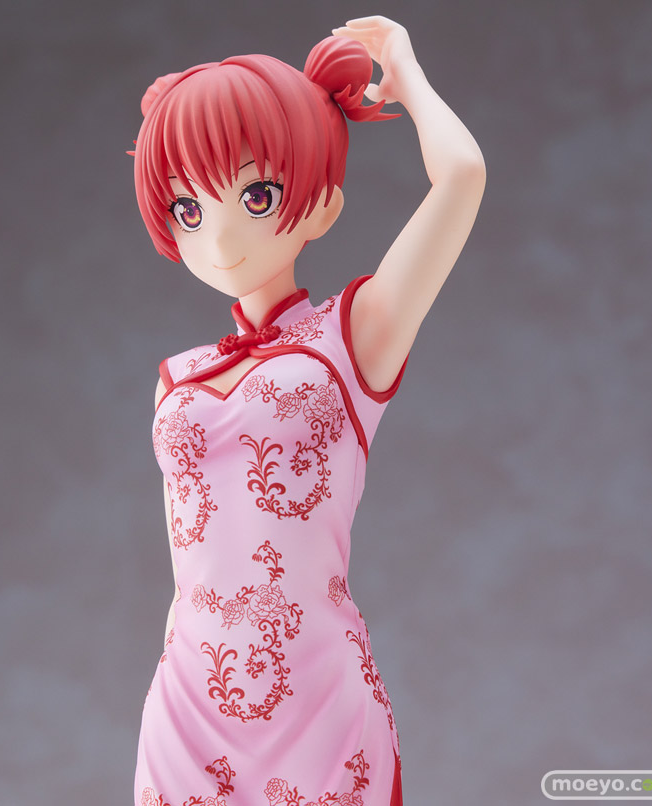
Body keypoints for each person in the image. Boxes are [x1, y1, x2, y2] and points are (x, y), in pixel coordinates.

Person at [127, 15, 485, 804]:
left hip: (316, 700)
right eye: (188, 208)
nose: (220, 235)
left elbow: (462, 176)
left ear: (322, 205)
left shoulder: (352, 336)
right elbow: (189, 569)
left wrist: (406, 73)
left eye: (256, 195)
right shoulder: (175, 379)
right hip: (187, 704)